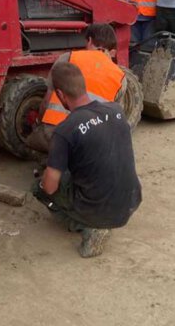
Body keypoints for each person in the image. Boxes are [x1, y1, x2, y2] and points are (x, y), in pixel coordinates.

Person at [32, 61, 142, 258]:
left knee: (39, 187)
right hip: (131, 200)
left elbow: (49, 187)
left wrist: (43, 179)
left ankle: (86, 225)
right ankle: (97, 216)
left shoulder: (65, 130)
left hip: (99, 210)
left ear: (61, 94)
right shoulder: (115, 110)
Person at [25, 23, 126, 153]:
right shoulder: (120, 77)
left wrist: (38, 122)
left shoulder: (68, 58)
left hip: (55, 135)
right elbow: (115, 119)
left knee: (38, 141)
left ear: (89, 40)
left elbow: (46, 102)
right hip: (91, 141)